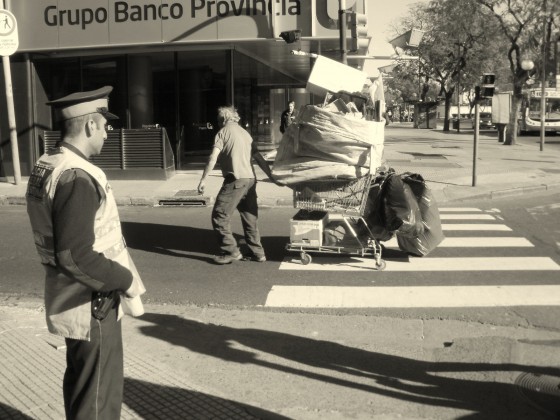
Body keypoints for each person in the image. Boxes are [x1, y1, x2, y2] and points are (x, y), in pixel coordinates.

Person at [26, 86, 146, 420]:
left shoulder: (49, 163)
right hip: (93, 302)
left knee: (82, 387)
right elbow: (74, 255)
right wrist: (124, 280)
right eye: (105, 126)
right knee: (98, 398)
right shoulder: (77, 177)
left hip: (72, 299)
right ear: (90, 126)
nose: (108, 135)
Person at [198, 105, 282, 265]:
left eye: (218, 120)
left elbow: (212, 158)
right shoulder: (245, 133)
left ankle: (230, 251)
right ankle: (258, 253)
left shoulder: (222, 133)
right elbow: (258, 157)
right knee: (250, 218)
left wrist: (203, 179)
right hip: (250, 180)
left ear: (222, 119)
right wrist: (270, 175)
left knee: (219, 216)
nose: (217, 122)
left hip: (235, 180)